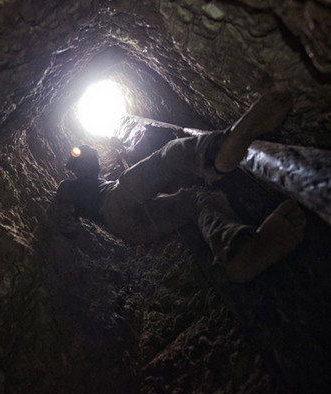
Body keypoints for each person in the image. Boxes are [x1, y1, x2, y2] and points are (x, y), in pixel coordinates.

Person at [54, 91, 305, 283]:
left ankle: (237, 249)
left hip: (134, 230)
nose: (90, 160)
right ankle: (218, 150)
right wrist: (65, 218)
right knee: (167, 157)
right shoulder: (70, 185)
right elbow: (63, 215)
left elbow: (69, 220)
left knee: (196, 200)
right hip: (114, 204)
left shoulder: (97, 182)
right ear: (75, 168)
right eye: (83, 158)